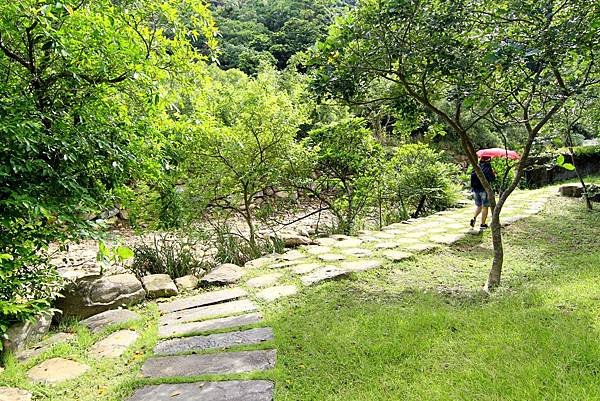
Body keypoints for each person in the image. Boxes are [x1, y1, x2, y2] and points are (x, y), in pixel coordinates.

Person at [470, 156, 495, 229]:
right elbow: (491, 178)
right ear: (488, 159)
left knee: (479, 206)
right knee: (485, 207)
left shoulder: (476, 166)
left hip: (475, 189)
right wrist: (493, 174)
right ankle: (483, 224)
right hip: (484, 189)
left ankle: (474, 218)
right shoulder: (487, 167)